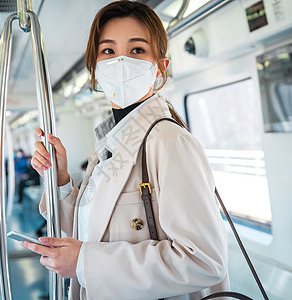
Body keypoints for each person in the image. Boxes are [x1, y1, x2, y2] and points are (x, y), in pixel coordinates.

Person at [24, 1, 228, 299]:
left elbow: (204, 262)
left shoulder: (169, 142)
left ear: (160, 67)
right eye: (108, 51)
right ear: (94, 67)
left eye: (136, 50)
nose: (121, 62)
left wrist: (85, 262)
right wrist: (61, 179)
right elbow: (92, 232)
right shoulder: (108, 145)